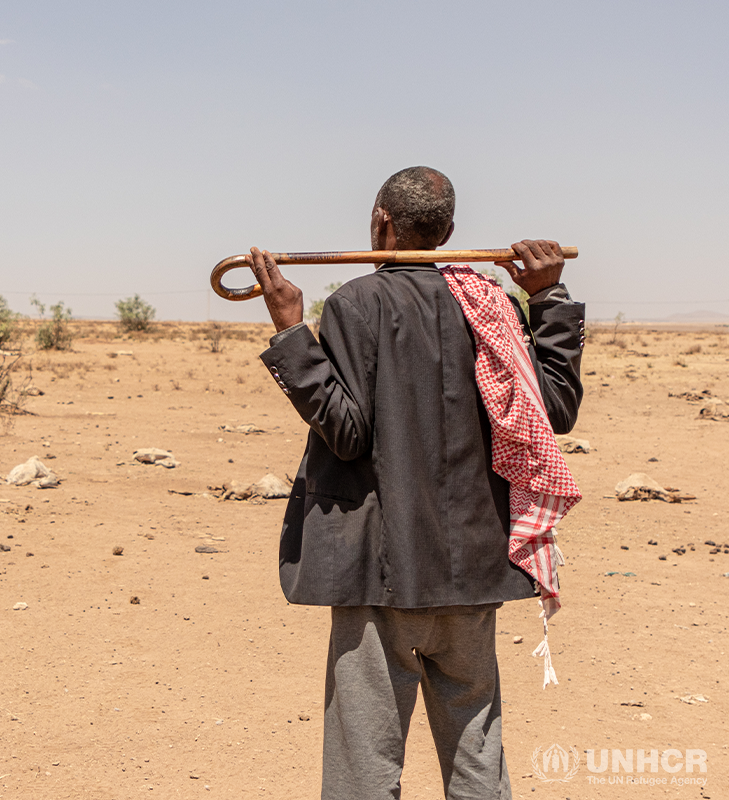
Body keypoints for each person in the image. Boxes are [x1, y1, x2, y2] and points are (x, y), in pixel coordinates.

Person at [247, 166, 585, 800]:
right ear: (450, 232)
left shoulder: (356, 302)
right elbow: (555, 412)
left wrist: (291, 329)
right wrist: (550, 298)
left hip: (383, 570)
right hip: (474, 570)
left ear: (381, 223)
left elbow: (346, 433)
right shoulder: (494, 305)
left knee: (364, 762)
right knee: (477, 750)